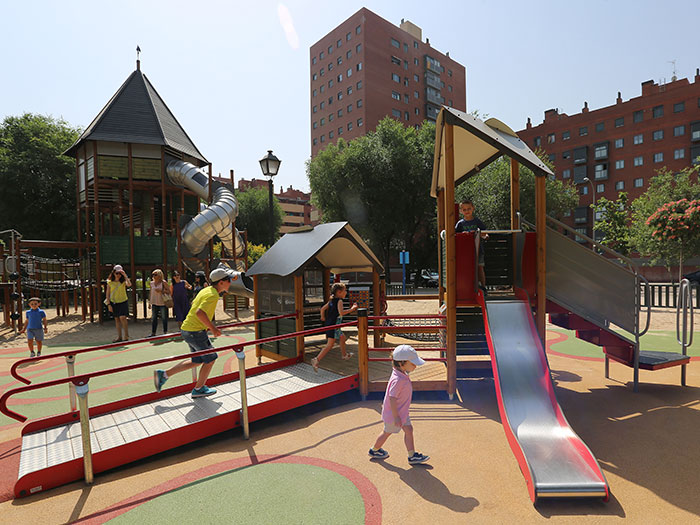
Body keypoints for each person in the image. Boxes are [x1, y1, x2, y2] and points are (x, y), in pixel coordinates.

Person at [153, 267, 233, 399]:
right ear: (221, 282)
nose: (230, 282)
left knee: (197, 361)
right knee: (211, 358)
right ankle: (199, 388)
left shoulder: (206, 290)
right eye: (229, 280)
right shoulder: (213, 295)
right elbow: (199, 313)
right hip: (195, 331)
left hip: (188, 329)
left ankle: (164, 374)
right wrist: (213, 329)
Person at [368, 345, 430, 465]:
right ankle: (374, 450)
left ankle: (412, 455)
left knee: (409, 429)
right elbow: (392, 398)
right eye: (412, 363)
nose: (415, 366)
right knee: (387, 432)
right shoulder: (398, 379)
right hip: (394, 414)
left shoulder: (400, 374)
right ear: (402, 364)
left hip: (401, 412)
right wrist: (396, 416)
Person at [312, 282, 358, 372]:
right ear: (339, 292)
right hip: (334, 325)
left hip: (332, 324)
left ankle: (344, 355)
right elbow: (341, 313)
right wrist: (352, 309)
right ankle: (316, 360)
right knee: (330, 345)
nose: (346, 293)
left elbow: (322, 309)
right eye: (345, 291)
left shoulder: (331, 301)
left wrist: (322, 317)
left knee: (342, 337)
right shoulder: (339, 301)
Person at [455, 199, 488, 290]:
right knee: (467, 268)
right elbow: (456, 235)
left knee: (480, 267)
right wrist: (463, 234)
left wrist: (483, 235)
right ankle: (468, 287)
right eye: (464, 210)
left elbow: (484, 233)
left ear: (473, 208)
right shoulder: (460, 224)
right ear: (461, 211)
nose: (467, 211)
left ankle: (483, 287)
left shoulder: (477, 222)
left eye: (469, 209)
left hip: (478, 249)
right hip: (466, 251)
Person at [106, 264, 131, 342]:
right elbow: (108, 293)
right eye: (117, 273)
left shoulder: (123, 281)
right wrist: (109, 304)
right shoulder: (110, 282)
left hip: (123, 301)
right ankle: (119, 336)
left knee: (123, 317)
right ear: (113, 273)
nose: (118, 275)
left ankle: (126, 335)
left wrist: (125, 275)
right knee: (117, 319)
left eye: (120, 273)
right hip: (114, 302)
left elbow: (129, 284)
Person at [149, 269, 172, 336]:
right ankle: (153, 333)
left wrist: (161, 290)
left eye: (155, 274)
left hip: (162, 302)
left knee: (164, 318)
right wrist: (149, 302)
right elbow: (150, 293)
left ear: (159, 275)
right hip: (154, 302)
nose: (154, 276)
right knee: (154, 318)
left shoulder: (163, 282)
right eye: (153, 274)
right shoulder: (151, 283)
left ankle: (165, 332)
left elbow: (169, 291)